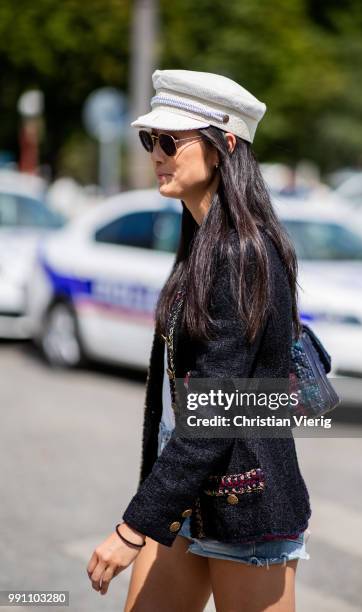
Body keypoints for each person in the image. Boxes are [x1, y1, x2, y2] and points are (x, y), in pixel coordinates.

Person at [87, 69, 312, 611]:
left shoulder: (243, 253)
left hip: (246, 500)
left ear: (224, 145)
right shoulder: (200, 242)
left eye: (170, 141)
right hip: (185, 489)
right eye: (150, 140)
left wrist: (131, 527)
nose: (157, 154)